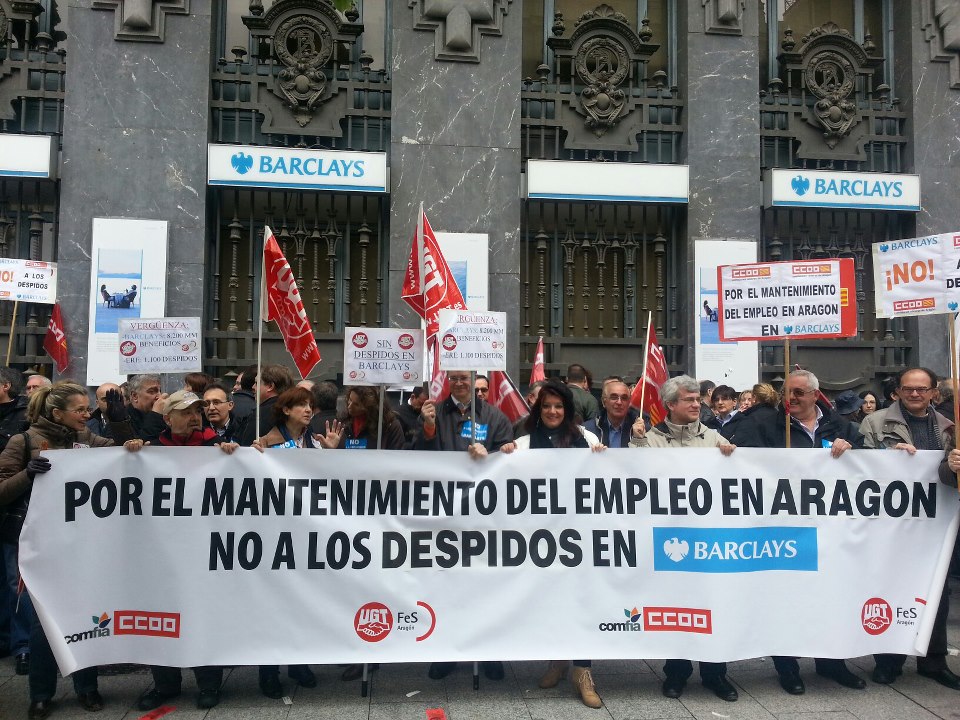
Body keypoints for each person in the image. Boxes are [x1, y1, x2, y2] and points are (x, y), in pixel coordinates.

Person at [0, 381, 144, 719]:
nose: (86, 414)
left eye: (87, 408)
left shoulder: (87, 439)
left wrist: (121, 421)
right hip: (41, 546)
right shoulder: (23, 442)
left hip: (81, 544)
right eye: (79, 410)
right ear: (56, 413)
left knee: (85, 616)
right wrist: (27, 475)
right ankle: (41, 694)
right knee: (43, 624)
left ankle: (87, 687)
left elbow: (126, 452)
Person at [735, 370, 864, 694]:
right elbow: (743, 458)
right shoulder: (765, 424)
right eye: (787, 392)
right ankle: (787, 667)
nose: (790, 398)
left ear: (815, 395)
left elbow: (869, 463)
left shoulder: (839, 425)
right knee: (784, 598)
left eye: (798, 393)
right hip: (782, 529)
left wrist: (852, 450)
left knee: (828, 597)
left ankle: (832, 662)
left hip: (828, 530)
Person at [627, 375, 737, 701]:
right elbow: (635, 477)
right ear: (670, 404)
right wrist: (637, 443)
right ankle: (676, 673)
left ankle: (716, 673)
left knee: (712, 604)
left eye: (697, 399)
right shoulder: (651, 439)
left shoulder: (713, 437)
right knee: (675, 606)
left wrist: (732, 455)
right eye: (689, 399)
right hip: (670, 540)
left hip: (708, 540)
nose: (696, 404)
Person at [136, 390, 239, 712]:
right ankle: (165, 684)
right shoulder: (150, 450)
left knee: (202, 615)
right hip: (162, 551)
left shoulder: (215, 448)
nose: (195, 417)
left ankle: (209, 683)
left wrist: (234, 456)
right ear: (168, 419)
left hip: (202, 550)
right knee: (161, 615)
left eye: (197, 411)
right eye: (186, 412)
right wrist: (131, 454)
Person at [860, 367, 960, 691]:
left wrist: (953, 467)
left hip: (934, 524)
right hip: (890, 525)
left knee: (937, 591)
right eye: (908, 389)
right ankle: (888, 661)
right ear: (898, 392)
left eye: (921, 389)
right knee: (890, 586)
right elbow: (858, 469)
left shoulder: (950, 427)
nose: (915, 394)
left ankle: (933, 661)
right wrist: (886, 458)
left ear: (933, 393)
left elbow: (948, 477)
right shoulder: (875, 423)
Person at [413, 371, 514, 680]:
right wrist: (428, 428)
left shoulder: (494, 416)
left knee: (485, 585)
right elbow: (416, 458)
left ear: (473, 380)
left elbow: (509, 458)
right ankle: (447, 651)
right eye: (454, 378)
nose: (459, 383)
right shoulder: (432, 412)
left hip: (484, 517)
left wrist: (492, 454)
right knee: (446, 584)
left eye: (465, 378)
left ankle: (488, 652)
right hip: (444, 514)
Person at [512, 380, 606, 708]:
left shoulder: (587, 439)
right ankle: (558, 660)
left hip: (580, 540)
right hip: (542, 542)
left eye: (559, 406)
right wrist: (503, 457)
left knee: (581, 601)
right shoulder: (523, 444)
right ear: (538, 409)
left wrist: (603, 459)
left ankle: (583, 671)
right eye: (547, 406)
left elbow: (604, 481)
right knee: (551, 601)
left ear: (567, 410)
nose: (553, 411)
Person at [250, 386, 340, 696]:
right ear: (286, 410)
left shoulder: (316, 442)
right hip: (276, 537)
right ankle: (268, 671)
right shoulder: (265, 443)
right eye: (301, 405)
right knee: (273, 605)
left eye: (310, 405)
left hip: (307, 537)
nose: (308, 410)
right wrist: (251, 455)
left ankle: (299, 663)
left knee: (303, 603)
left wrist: (331, 455)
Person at [335, 385, 404, 682]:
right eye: (348, 401)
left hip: (380, 513)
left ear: (370, 403)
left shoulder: (390, 425)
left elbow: (399, 462)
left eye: (354, 402)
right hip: (349, 513)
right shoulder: (344, 426)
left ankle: (371, 652)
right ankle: (353, 647)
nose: (349, 406)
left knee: (375, 584)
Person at [0, 366, 30, 676]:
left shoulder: (23, 420)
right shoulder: (22, 432)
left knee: (17, 581)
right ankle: (11, 641)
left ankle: (23, 644)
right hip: (12, 511)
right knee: (9, 580)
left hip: (18, 512)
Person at [239, 364, 295, 446]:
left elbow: (247, 448)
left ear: (270, 386)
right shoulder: (295, 413)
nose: (253, 387)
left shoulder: (261, 415)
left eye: (257, 383)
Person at [583, 380, 638, 447]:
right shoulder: (588, 430)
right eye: (614, 397)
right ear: (604, 402)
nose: (619, 402)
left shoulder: (641, 429)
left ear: (629, 403)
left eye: (624, 398)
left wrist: (640, 439)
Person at [115, 374, 167, 444]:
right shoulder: (122, 420)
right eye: (152, 392)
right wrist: (155, 415)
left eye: (159, 391)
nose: (159, 396)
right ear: (135, 396)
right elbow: (141, 443)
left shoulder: (164, 415)